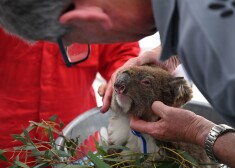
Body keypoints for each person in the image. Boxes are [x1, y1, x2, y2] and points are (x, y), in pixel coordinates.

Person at [0, 0, 235, 166]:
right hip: (9, 142)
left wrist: (200, 132)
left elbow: (120, 53)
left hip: (74, 136)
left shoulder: (221, 64)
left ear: (86, 17)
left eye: (73, 43)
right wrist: (175, 47)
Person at [0, 27, 140, 167]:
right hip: (8, 145)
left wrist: (120, 77)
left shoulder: (97, 6)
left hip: (77, 143)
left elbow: (122, 51)